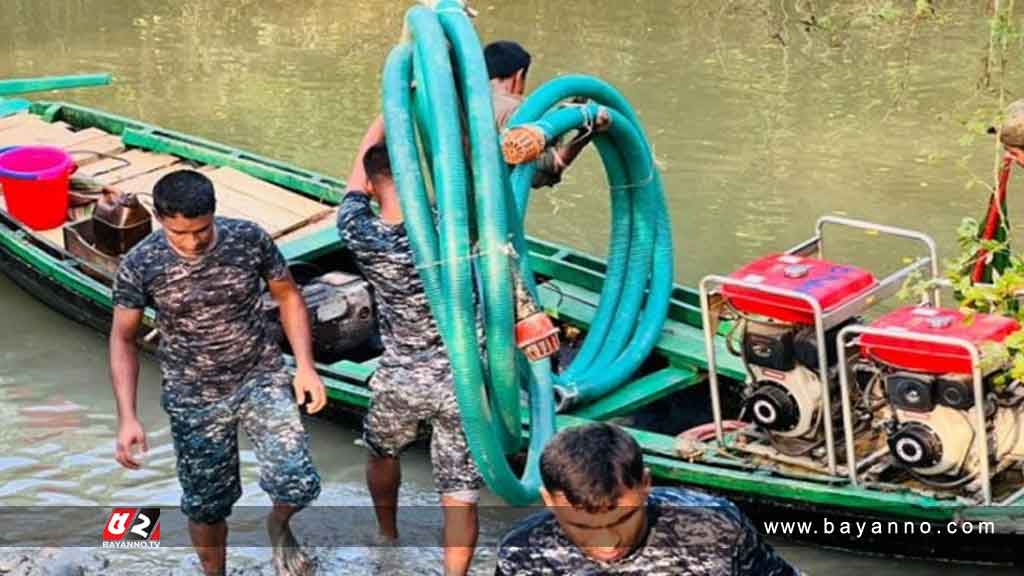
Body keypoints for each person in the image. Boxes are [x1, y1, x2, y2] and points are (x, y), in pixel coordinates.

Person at [109, 170, 326, 576]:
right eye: (179, 234)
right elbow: (123, 339)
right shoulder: (141, 264)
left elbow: (289, 296)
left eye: (202, 230)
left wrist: (306, 368)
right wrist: (127, 416)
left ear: (214, 214)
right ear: (159, 219)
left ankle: (278, 524)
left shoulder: (249, 239)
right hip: (193, 395)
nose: (193, 243)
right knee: (207, 506)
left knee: (297, 481)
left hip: (260, 374)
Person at [337, 117, 484, 576]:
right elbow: (467, 166)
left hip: (402, 376)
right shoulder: (454, 226)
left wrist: (382, 120)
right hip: (464, 377)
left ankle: (388, 534)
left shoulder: (359, 232)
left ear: (377, 184)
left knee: (382, 450)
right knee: (460, 487)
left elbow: (355, 182)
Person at [495, 422, 801, 575]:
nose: (607, 544)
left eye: (623, 518)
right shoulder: (522, 555)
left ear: (645, 484)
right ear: (548, 500)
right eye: (582, 526)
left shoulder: (715, 528)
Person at [485, 40, 607, 188]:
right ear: (519, 75)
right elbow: (543, 170)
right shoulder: (516, 111)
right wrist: (588, 132)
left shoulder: (465, 101)